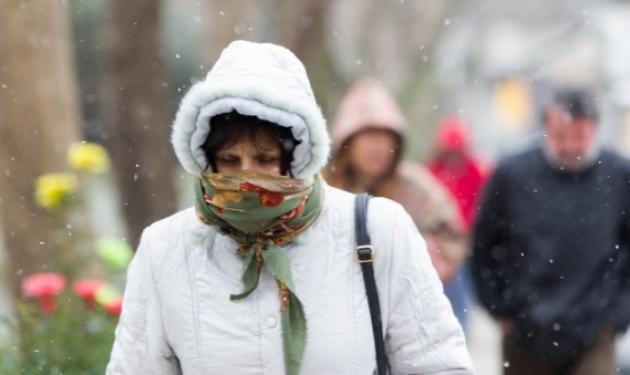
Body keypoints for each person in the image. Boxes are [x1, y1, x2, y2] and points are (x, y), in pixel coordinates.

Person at [106, 41, 473, 374]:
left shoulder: (377, 230)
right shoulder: (166, 249)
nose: (247, 179)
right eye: (229, 160)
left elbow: (437, 362)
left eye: (265, 159)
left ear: (295, 158)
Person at [472, 87, 630, 374]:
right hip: (525, 330)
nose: (569, 146)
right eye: (560, 136)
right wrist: (499, 308)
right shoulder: (512, 174)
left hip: (594, 331)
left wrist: (618, 315)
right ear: (546, 129)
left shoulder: (620, 175)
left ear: (594, 129)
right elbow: (482, 245)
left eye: (578, 136)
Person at [324, 78, 468, 291]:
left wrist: (410, 263)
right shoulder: (325, 190)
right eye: (369, 136)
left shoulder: (417, 188)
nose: (378, 146)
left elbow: (451, 238)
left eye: (385, 137)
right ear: (348, 142)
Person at [427, 115, 490, 331]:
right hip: (437, 246)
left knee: (461, 295)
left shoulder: (476, 171)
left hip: (465, 246)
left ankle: (459, 335)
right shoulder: (432, 171)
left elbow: (483, 205)